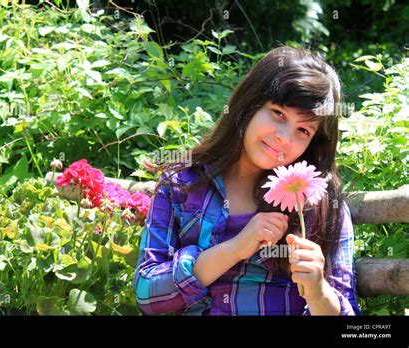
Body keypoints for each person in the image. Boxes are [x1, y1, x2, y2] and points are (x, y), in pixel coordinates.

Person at [133, 45, 361, 316]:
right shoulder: (184, 183)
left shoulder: (318, 204)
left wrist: (317, 290)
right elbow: (147, 294)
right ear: (249, 105)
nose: (284, 138)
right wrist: (235, 248)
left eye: (303, 130)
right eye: (278, 113)